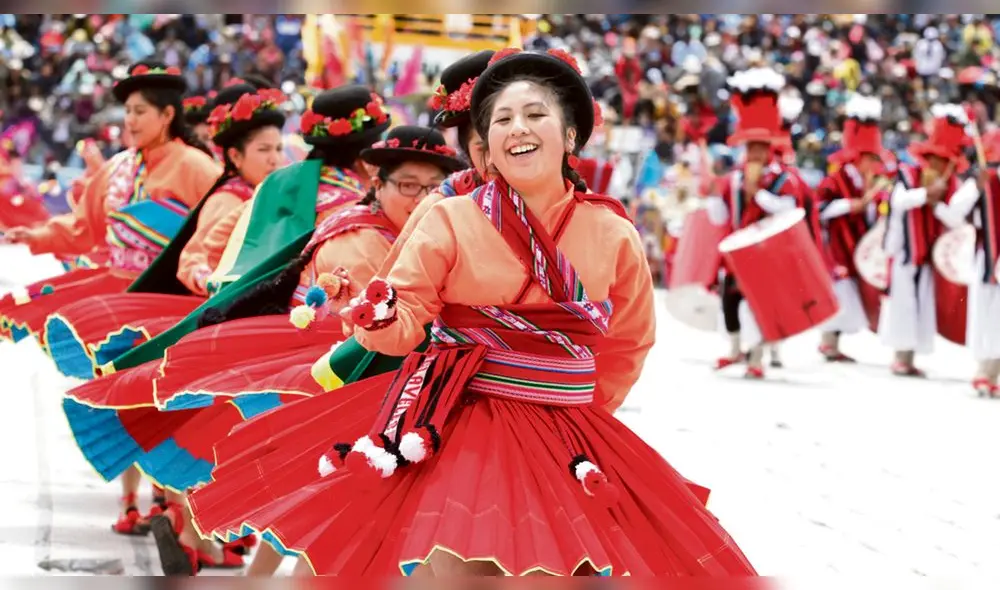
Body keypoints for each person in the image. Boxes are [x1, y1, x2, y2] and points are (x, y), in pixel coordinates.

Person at [187, 47, 755, 577]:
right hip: (460, 419)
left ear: (571, 134)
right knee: (459, 563)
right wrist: (376, 315)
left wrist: (576, 404)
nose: (517, 128)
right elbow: (406, 315)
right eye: (501, 119)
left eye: (536, 114)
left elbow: (628, 341)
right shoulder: (450, 217)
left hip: (567, 426)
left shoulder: (612, 231)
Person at [0, 61, 220, 345]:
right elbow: (82, 227)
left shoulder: (196, 167)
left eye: (140, 111)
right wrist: (36, 235)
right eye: (128, 111)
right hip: (115, 286)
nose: (130, 120)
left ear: (167, 114)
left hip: (170, 294)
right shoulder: (117, 166)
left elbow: (220, 231)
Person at [704, 67, 810, 379]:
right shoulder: (733, 178)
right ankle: (735, 349)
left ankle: (757, 356)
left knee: (763, 305)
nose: (755, 152)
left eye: (761, 146)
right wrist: (714, 194)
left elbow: (790, 211)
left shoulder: (783, 178)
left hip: (769, 252)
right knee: (730, 300)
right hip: (737, 252)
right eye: (750, 146)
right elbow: (720, 217)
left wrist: (758, 194)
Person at [879, 103, 973, 377]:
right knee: (903, 303)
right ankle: (899, 355)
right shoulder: (908, 174)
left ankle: (910, 357)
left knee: (920, 303)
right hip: (905, 250)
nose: (939, 165)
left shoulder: (951, 184)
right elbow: (898, 202)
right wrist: (925, 194)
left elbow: (955, 219)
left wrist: (937, 205)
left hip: (930, 253)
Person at [815, 95, 895, 362]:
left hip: (858, 244)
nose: (873, 164)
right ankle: (828, 341)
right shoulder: (835, 179)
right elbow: (819, 209)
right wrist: (851, 205)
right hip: (837, 243)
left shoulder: (873, 183)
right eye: (869, 158)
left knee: (851, 292)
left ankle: (832, 342)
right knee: (841, 291)